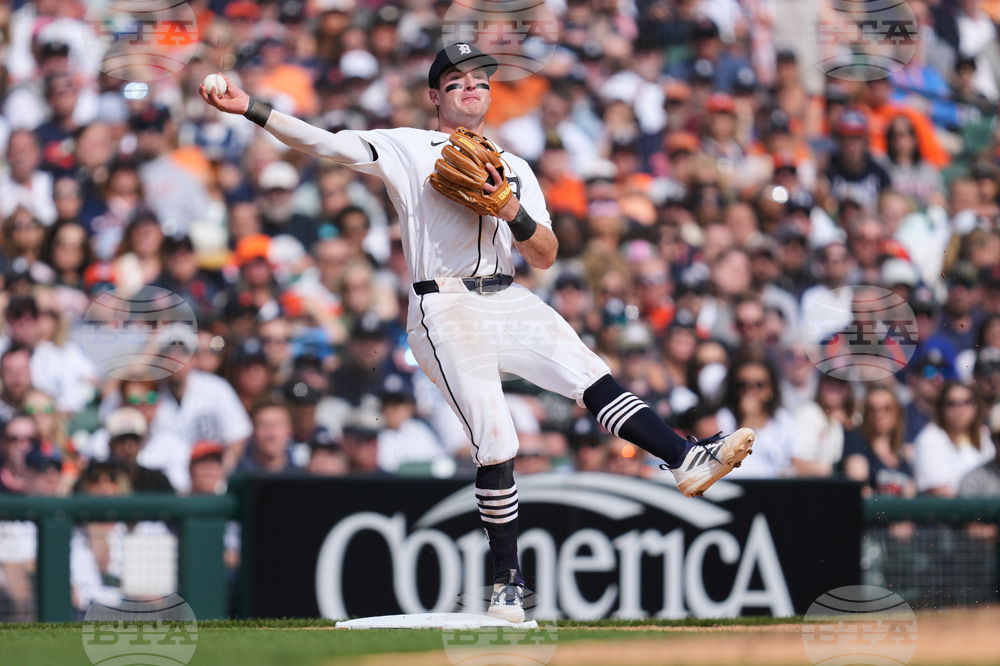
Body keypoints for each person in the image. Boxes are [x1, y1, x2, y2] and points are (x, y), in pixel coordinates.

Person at [200, 44, 755, 623]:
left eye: (481, 82)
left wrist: (512, 209)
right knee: (498, 438)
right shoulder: (410, 146)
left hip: (508, 294)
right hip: (443, 302)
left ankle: (684, 459)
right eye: (457, 81)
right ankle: (507, 585)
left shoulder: (518, 165)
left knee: (590, 374)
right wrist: (250, 108)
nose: (472, 88)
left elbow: (545, 253)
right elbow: (328, 142)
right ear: (434, 96)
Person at [913, 381, 996, 497]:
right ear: (941, 407)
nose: (960, 408)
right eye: (952, 403)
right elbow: (935, 488)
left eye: (967, 402)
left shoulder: (986, 435)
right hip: (949, 512)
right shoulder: (929, 438)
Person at [844, 387, 915, 497]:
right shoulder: (857, 441)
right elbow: (858, 487)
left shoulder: (901, 452)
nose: (879, 414)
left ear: (897, 413)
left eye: (887, 408)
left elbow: (911, 490)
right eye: (872, 409)